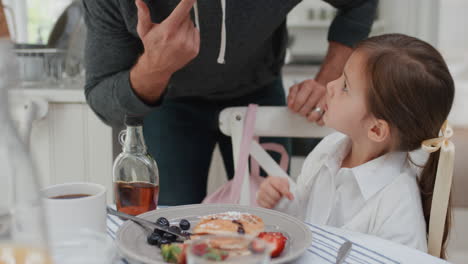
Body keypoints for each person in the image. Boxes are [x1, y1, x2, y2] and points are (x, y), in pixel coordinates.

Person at [83, 0, 378, 205]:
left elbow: (360, 2)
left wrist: (327, 81)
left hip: (258, 91)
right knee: (167, 227)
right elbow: (102, 100)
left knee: (274, 213)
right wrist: (154, 68)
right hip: (167, 103)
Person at [256, 34, 455, 256]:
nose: (330, 85)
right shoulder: (329, 149)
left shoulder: (398, 207)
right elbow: (306, 226)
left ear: (376, 130)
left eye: (345, 87)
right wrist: (283, 203)